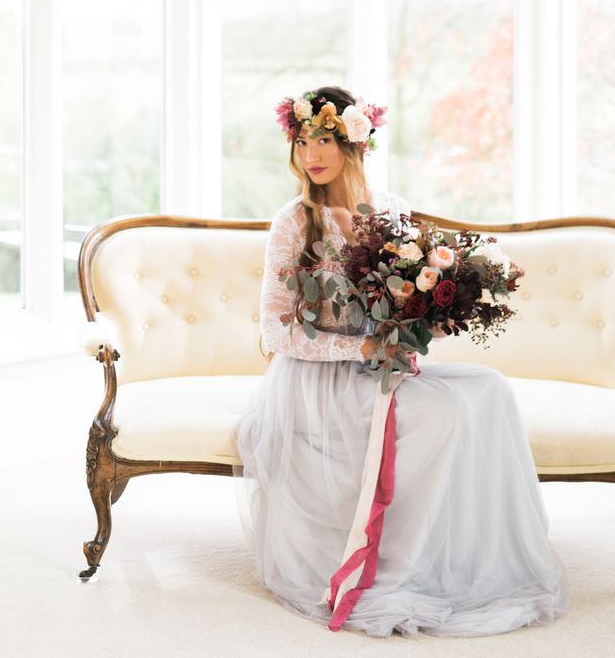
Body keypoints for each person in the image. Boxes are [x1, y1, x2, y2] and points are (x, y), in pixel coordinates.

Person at [234, 86, 568, 638]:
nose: (311, 154)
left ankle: (466, 555)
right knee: (439, 416)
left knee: (489, 390)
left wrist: (412, 331)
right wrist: (359, 347)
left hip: (378, 367)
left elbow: (402, 300)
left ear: (355, 142)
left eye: (324, 140)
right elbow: (276, 331)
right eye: (302, 141)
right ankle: (399, 566)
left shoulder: (388, 209)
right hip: (316, 379)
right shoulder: (294, 221)